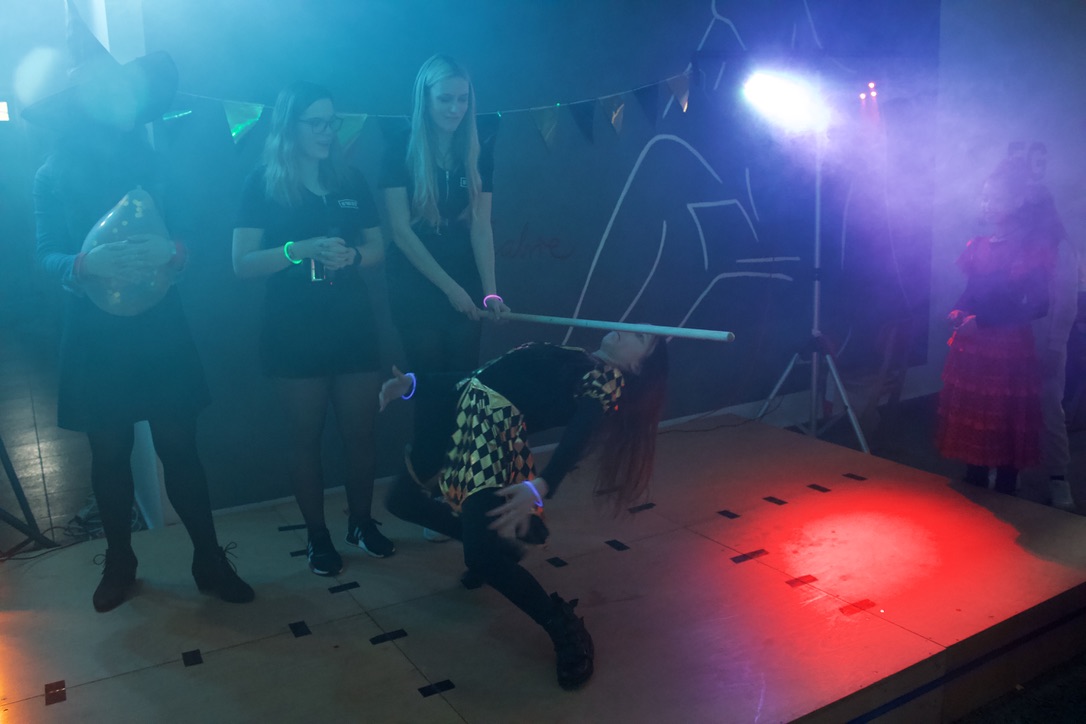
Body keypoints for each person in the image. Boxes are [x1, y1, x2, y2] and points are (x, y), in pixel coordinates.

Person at [29, 20, 253, 612]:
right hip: (94, 333)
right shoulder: (51, 174)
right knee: (109, 454)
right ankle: (121, 561)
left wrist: (174, 251)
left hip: (159, 329)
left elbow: (195, 234)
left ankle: (209, 559)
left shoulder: (156, 165)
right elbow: (45, 254)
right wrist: (83, 263)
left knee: (180, 446)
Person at [380, 331, 669, 689]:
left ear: (637, 366)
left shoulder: (606, 379)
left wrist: (544, 483)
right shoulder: (575, 355)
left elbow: (580, 432)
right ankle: (497, 544)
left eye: (639, 337)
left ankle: (563, 627)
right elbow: (482, 377)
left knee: (481, 559)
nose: (624, 329)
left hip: (490, 448)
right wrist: (413, 384)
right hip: (457, 425)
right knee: (401, 501)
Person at [233, 82, 392, 576]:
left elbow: (378, 248)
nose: (327, 132)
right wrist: (296, 250)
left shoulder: (350, 179)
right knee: (305, 438)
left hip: (353, 325)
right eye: (316, 123)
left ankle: (361, 522)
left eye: (332, 122)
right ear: (290, 126)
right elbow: (241, 263)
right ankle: (317, 535)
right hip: (293, 330)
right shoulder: (263, 182)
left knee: (361, 434)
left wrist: (354, 256)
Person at [380, 54, 509, 375]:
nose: (455, 108)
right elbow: (401, 232)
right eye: (445, 99)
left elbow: (481, 226)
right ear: (425, 99)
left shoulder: (478, 150)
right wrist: (450, 289)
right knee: (431, 385)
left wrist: (490, 292)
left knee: (464, 380)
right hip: (416, 281)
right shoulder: (399, 148)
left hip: (464, 274)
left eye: (463, 99)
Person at [936, 155, 1057, 493]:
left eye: (996, 198)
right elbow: (971, 291)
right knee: (976, 414)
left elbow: (1038, 305)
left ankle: (1006, 490)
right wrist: (958, 311)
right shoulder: (978, 245)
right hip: (974, 346)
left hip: (1008, 348)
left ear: (1017, 201)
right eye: (985, 197)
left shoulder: (1031, 248)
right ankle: (975, 482)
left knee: (1005, 416)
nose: (987, 204)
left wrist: (984, 322)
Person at [1025, 142, 1078, 511]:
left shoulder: (1061, 248)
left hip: (1046, 337)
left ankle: (1059, 479)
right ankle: (1007, 467)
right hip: (1014, 336)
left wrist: (1055, 346)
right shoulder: (1018, 245)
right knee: (1011, 405)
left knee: (1048, 406)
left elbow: (1066, 303)